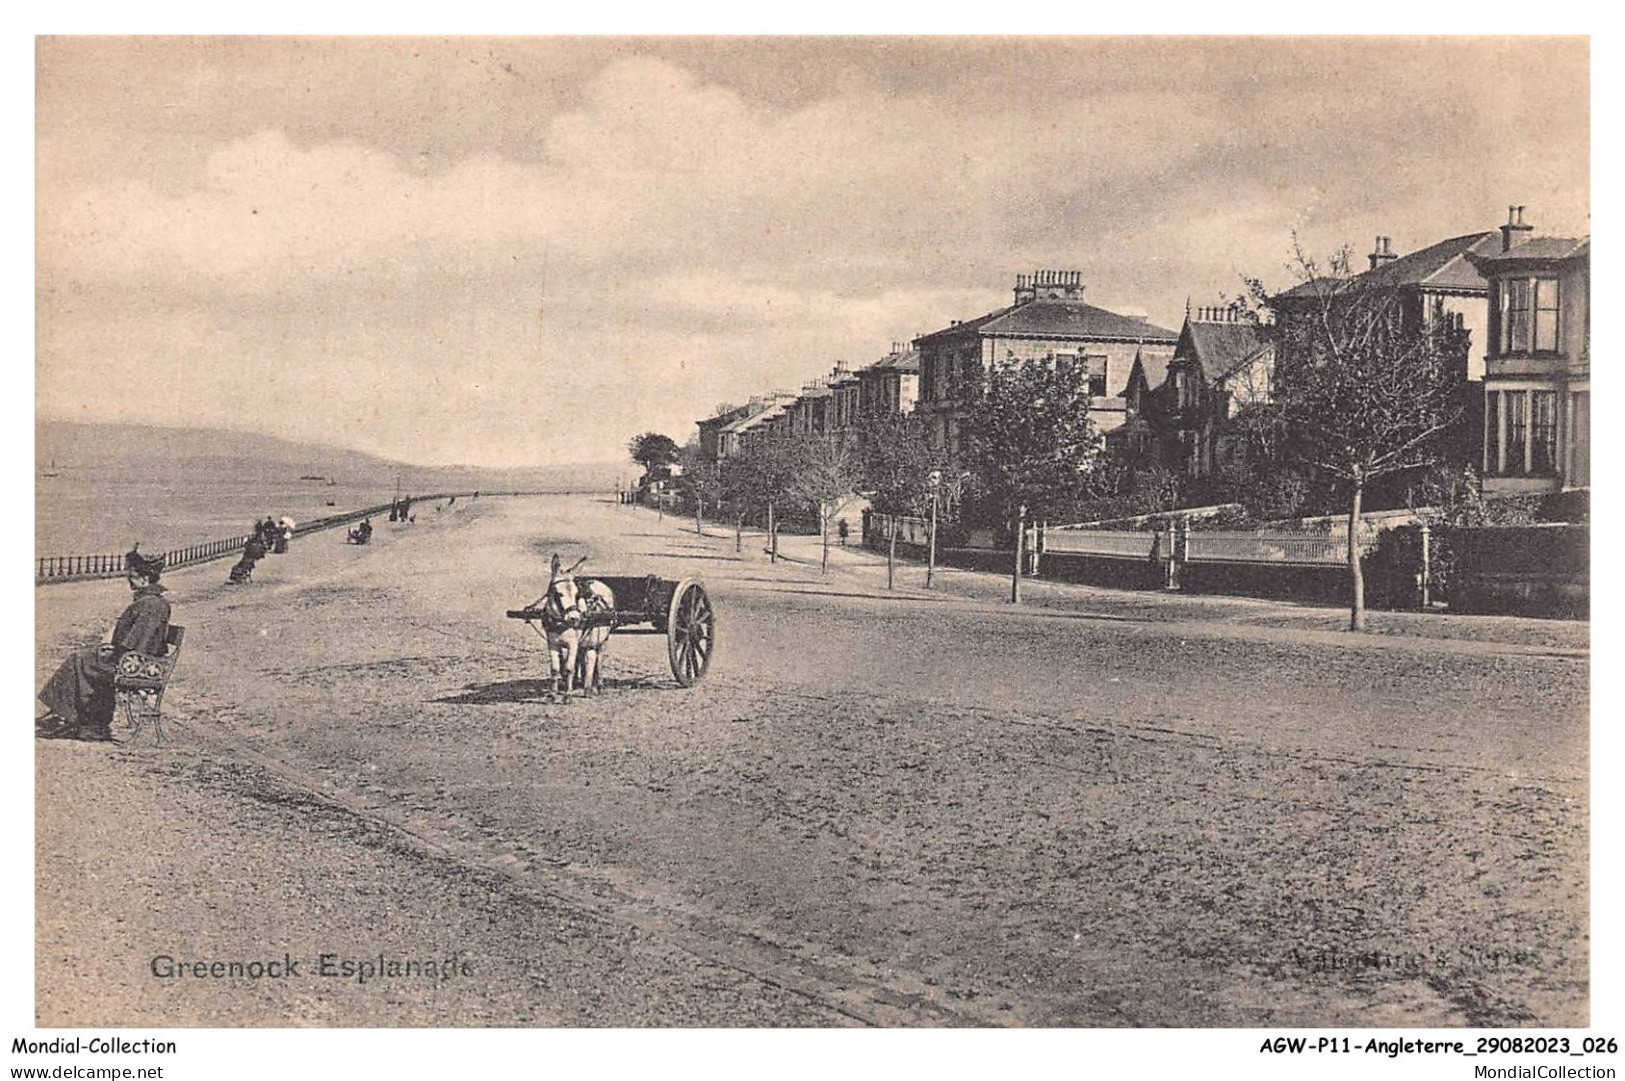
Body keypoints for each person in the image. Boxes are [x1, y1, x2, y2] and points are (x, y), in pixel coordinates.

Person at [39, 547, 172, 741]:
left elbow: (139, 644)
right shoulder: (150, 601)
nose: (129, 580)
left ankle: (82, 721)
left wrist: (115, 651)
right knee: (83, 658)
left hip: (137, 666)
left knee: (80, 661)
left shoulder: (150, 604)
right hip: (136, 660)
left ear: (145, 579)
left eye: (132, 577)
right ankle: (76, 719)